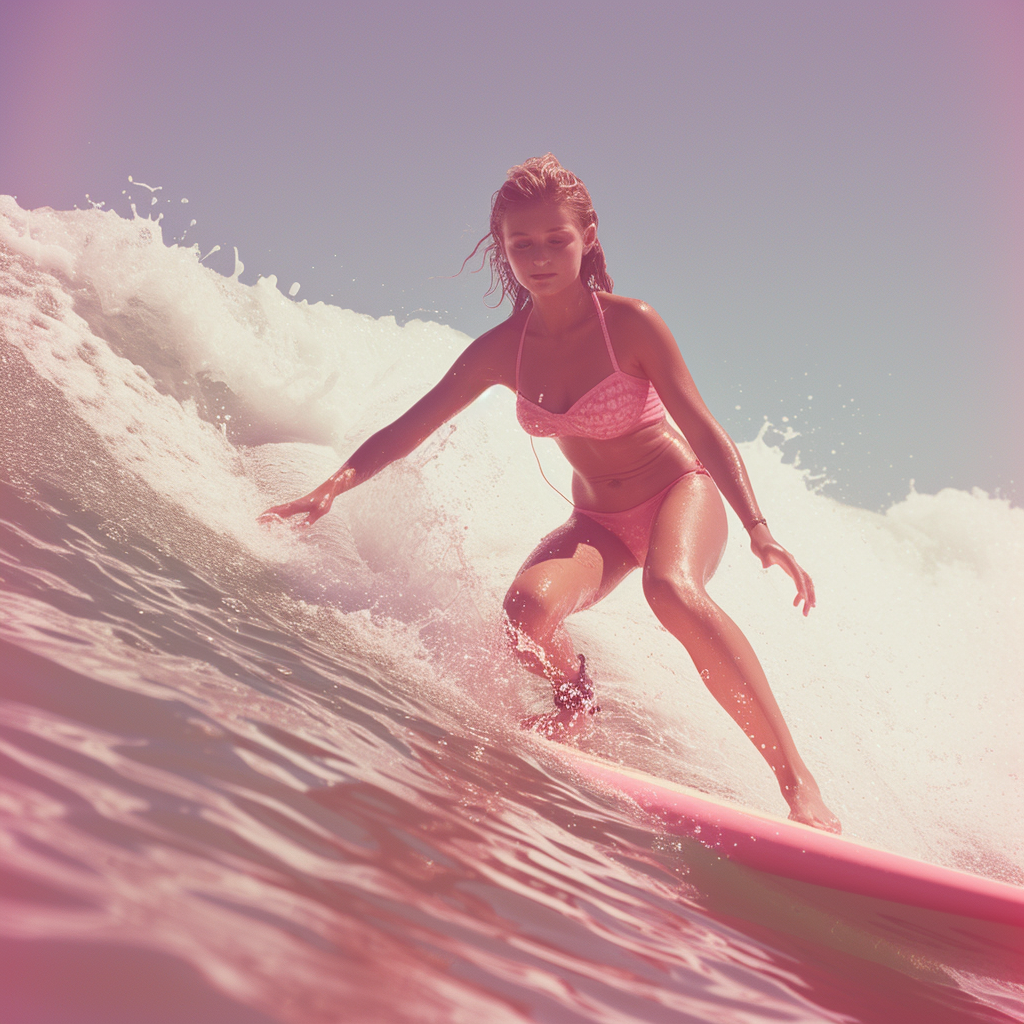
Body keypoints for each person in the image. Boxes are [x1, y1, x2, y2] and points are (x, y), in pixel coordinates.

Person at [259, 155, 841, 833]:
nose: (539, 256)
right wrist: (331, 487)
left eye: (555, 240)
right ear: (504, 249)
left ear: (588, 235)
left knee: (670, 590)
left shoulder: (631, 325)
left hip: (681, 491)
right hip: (598, 517)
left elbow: (703, 428)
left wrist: (759, 527)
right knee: (524, 612)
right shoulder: (503, 350)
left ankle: (799, 785)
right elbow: (410, 426)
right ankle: (578, 703)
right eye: (522, 244)